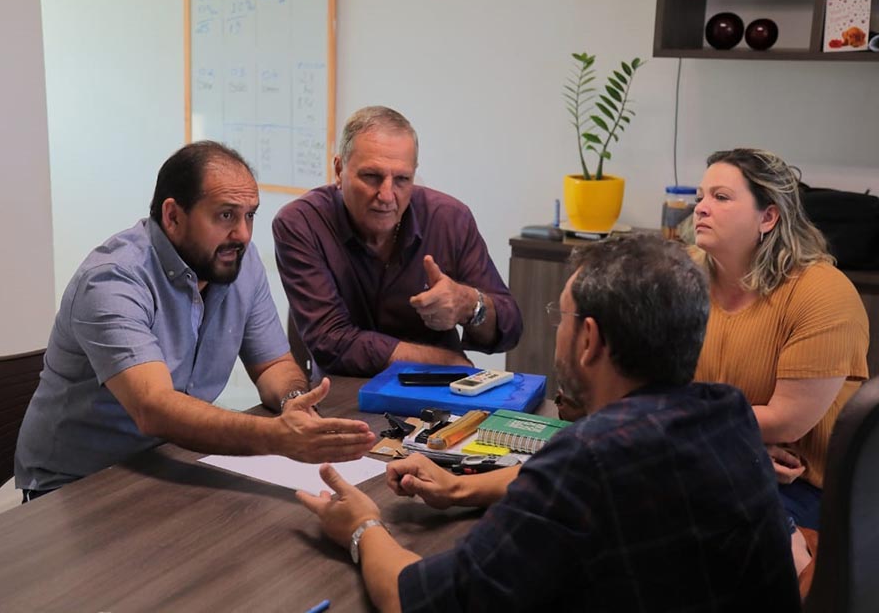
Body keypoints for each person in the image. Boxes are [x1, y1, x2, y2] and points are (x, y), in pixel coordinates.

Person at [296, 234, 800, 612]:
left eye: (561, 318)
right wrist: (459, 490)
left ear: (590, 340)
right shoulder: (727, 415)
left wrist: (361, 527)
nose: (558, 332)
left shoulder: (585, 462)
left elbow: (417, 599)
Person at [15, 141, 374, 497]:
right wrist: (277, 437)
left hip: (169, 460)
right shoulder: (112, 279)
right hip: (76, 485)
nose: (244, 235)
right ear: (173, 216)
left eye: (250, 215)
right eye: (226, 215)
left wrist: (294, 403)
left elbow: (273, 365)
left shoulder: (238, 264)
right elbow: (153, 408)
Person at [691, 148, 869, 533]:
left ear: (768, 216)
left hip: (802, 484)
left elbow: (785, 423)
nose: (701, 208)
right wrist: (730, 444)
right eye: (700, 197)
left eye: (720, 197)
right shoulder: (683, 273)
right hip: (706, 453)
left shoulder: (822, 293)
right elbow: (649, 383)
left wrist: (678, 424)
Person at [272, 106, 522, 376]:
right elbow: (332, 343)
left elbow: (510, 329)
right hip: (343, 394)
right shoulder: (301, 223)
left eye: (402, 179)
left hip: (435, 393)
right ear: (339, 169)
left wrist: (469, 304)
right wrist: (443, 362)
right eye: (371, 176)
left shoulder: (449, 219)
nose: (387, 195)